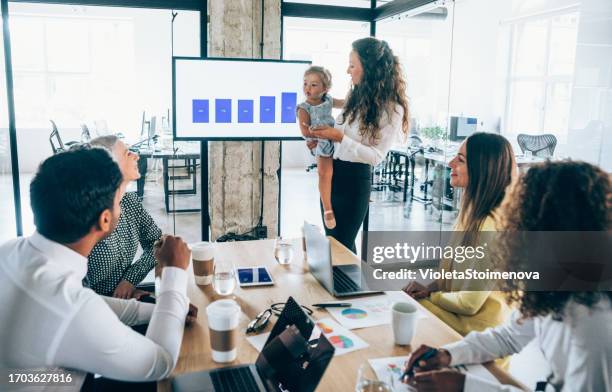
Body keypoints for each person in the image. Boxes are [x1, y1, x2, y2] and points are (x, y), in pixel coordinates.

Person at [403, 161, 612, 391]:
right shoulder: (557, 283)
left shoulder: (594, 325)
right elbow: (510, 336)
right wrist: (447, 354)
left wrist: (465, 386)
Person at [0, 148, 191, 388]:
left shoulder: (9, 252)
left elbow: (91, 305)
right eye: (117, 199)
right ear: (105, 219)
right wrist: (174, 272)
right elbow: (162, 363)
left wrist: (163, 308)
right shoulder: (70, 306)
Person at [403, 133, 515, 337]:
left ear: (482, 170)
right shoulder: (471, 214)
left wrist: (430, 295)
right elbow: (451, 274)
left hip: (475, 334)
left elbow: (469, 303)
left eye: (461, 160)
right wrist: (429, 288)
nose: (450, 162)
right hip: (457, 318)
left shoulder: (490, 227)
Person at [308, 37, 410, 251]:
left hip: (354, 183)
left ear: (370, 69)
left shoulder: (393, 109)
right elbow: (340, 138)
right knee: (333, 243)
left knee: (341, 247)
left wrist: (338, 137)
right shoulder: (355, 97)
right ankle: (341, 285)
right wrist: (322, 140)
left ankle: (351, 285)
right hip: (332, 178)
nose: (348, 70)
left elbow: (376, 157)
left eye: (352, 65)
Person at [86, 135, 162, 299]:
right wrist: (121, 303)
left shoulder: (130, 202)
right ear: (109, 166)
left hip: (123, 301)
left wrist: (129, 281)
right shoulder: (87, 217)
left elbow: (158, 244)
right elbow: (75, 296)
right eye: (128, 153)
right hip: (93, 309)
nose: (137, 156)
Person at [297, 66, 344, 229]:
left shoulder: (329, 100)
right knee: (325, 173)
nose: (307, 88)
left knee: (342, 169)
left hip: (334, 135)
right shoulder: (304, 108)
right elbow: (304, 130)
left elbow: (345, 104)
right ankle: (327, 208)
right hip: (320, 140)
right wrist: (319, 136)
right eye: (305, 83)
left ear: (325, 88)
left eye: (313, 85)